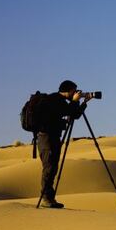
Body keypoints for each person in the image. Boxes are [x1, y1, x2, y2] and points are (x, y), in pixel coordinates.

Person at [38, 80, 88, 208]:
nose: (75, 93)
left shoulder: (61, 101)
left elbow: (74, 114)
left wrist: (83, 103)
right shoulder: (54, 99)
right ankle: (46, 199)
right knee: (49, 168)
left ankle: (50, 198)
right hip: (46, 138)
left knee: (53, 167)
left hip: (53, 137)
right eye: (74, 90)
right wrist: (75, 101)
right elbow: (69, 110)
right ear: (68, 90)